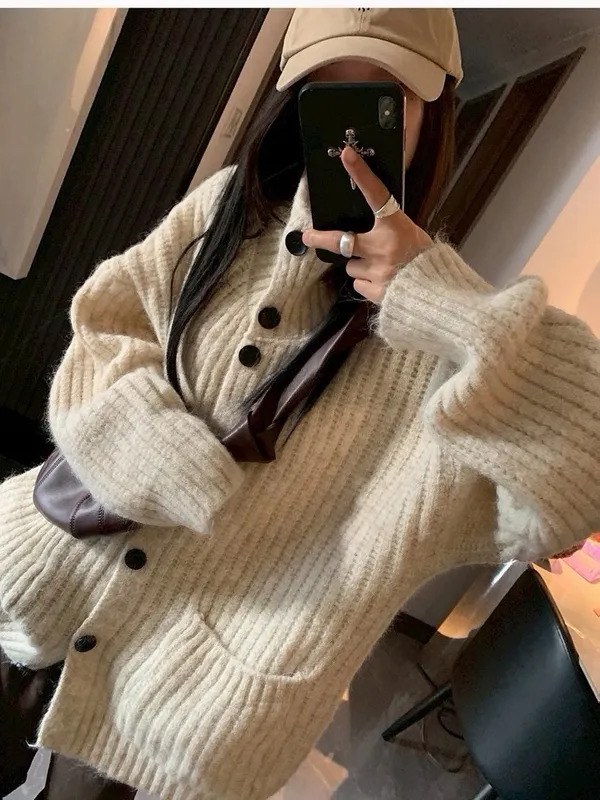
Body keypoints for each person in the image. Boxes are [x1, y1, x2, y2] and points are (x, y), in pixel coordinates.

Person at [1, 7, 599, 800]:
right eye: (327, 91)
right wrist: (150, 452)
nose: (347, 134)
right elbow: (107, 322)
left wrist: (444, 302)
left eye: (382, 98)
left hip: (172, 693)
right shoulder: (227, 211)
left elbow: (582, 476)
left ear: (434, 112)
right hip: (40, 570)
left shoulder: (451, 360)